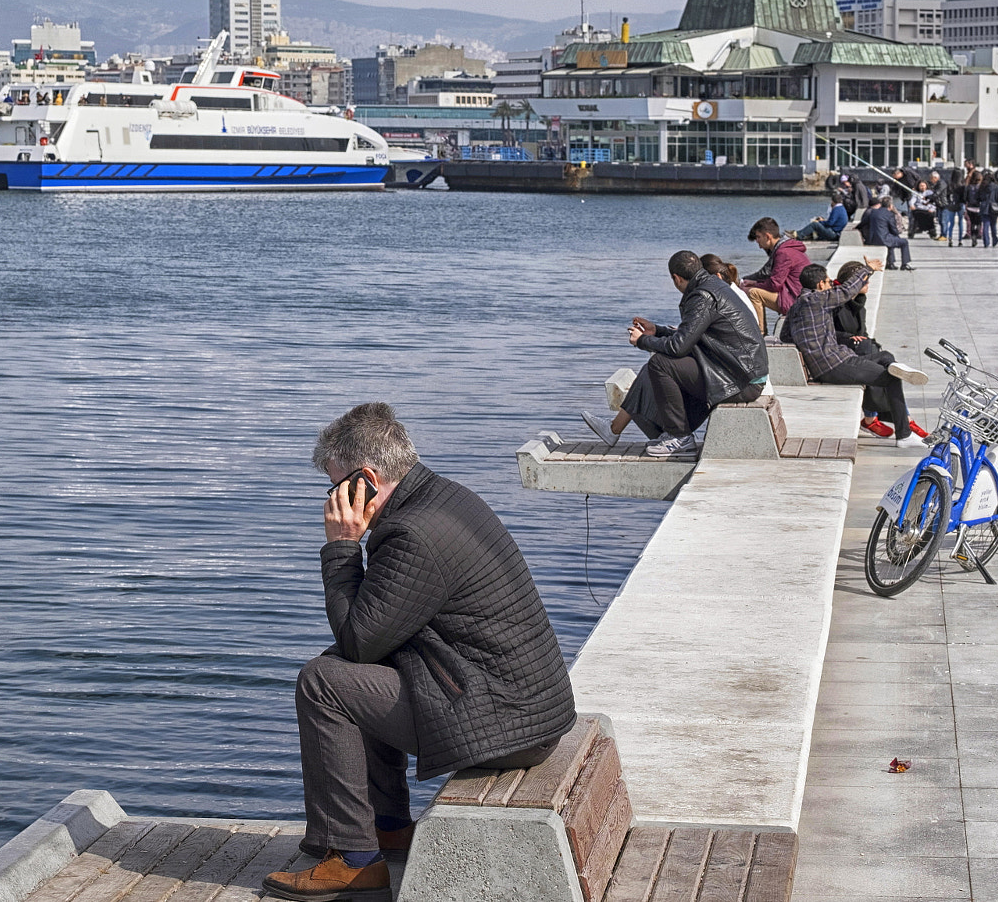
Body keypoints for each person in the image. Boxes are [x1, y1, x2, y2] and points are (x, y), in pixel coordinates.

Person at [266, 403, 575, 902]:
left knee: (323, 681)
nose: (332, 501)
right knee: (346, 670)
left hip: (506, 723)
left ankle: (352, 860)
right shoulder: (443, 498)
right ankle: (385, 826)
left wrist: (343, 547)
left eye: (335, 487)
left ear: (365, 479)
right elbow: (370, 640)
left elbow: (359, 640)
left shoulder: (412, 532)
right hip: (523, 710)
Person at [581, 250, 769, 458]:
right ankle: (615, 430)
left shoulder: (703, 296)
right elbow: (693, 336)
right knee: (651, 368)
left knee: (660, 364)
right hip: (737, 371)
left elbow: (679, 347)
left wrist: (642, 341)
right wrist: (657, 331)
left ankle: (680, 437)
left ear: (676, 278)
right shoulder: (710, 286)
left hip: (741, 380)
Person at [781, 262, 927, 445]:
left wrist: (811, 341)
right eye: (827, 282)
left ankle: (884, 415)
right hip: (833, 365)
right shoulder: (815, 300)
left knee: (886, 357)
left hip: (836, 359)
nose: (830, 286)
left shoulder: (798, 305)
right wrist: (868, 270)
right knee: (891, 377)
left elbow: (784, 336)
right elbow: (846, 291)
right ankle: (904, 435)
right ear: (820, 284)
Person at [739, 217, 811, 333]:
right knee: (752, 289)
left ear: (767, 236)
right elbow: (774, 278)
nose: (757, 241)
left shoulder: (783, 253)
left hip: (795, 300)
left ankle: (760, 333)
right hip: (800, 296)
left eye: (758, 237)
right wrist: (754, 282)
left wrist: (754, 285)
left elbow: (775, 284)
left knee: (753, 293)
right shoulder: (787, 248)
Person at [862, 196, 913, 270]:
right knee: (904, 242)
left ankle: (891, 263)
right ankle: (904, 264)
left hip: (872, 239)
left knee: (890, 239)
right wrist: (897, 235)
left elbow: (863, 223)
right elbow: (894, 230)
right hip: (883, 240)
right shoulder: (889, 214)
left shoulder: (873, 212)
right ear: (890, 206)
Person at [963, 169, 987, 247]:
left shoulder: (968, 187)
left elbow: (965, 197)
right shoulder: (982, 187)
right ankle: (978, 234)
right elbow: (983, 197)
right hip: (979, 207)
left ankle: (973, 238)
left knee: (972, 223)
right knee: (979, 223)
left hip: (970, 207)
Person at [981, 170, 998, 248]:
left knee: (985, 225)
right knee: (993, 225)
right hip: (994, 208)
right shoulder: (996, 186)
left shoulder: (982, 186)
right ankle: (994, 240)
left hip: (984, 208)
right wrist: (996, 201)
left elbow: (978, 196)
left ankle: (986, 242)